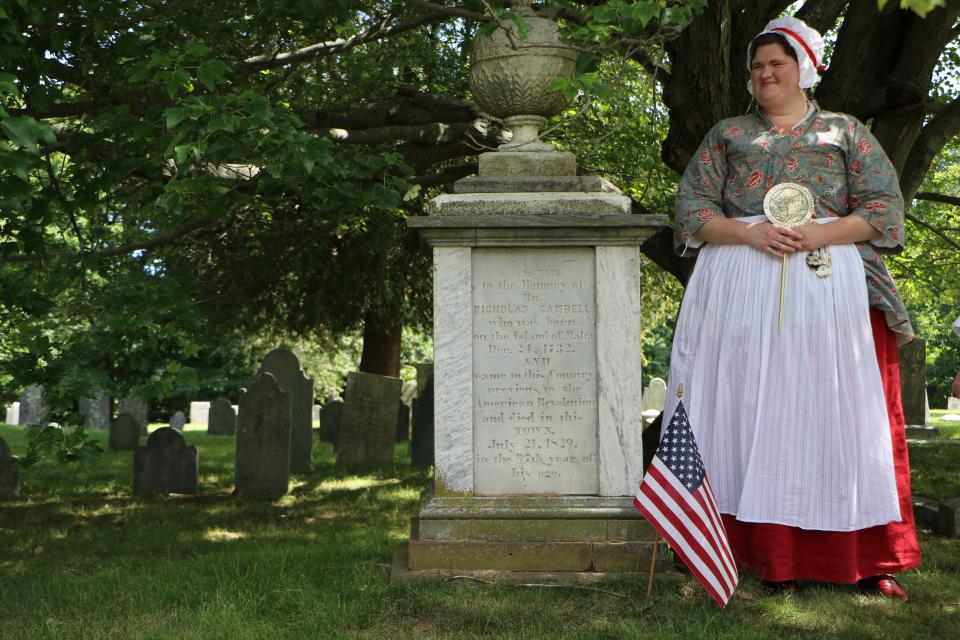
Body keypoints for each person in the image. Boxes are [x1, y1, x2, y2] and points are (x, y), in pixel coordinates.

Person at [667, 16, 920, 600]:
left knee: (827, 410)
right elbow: (690, 209)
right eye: (757, 67)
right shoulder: (728, 134)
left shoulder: (845, 132)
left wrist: (819, 234)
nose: (764, 74)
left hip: (826, 281)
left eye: (776, 64)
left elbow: (885, 208)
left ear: (805, 66)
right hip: (736, 283)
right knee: (743, 406)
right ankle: (735, 547)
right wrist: (749, 233)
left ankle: (848, 555)